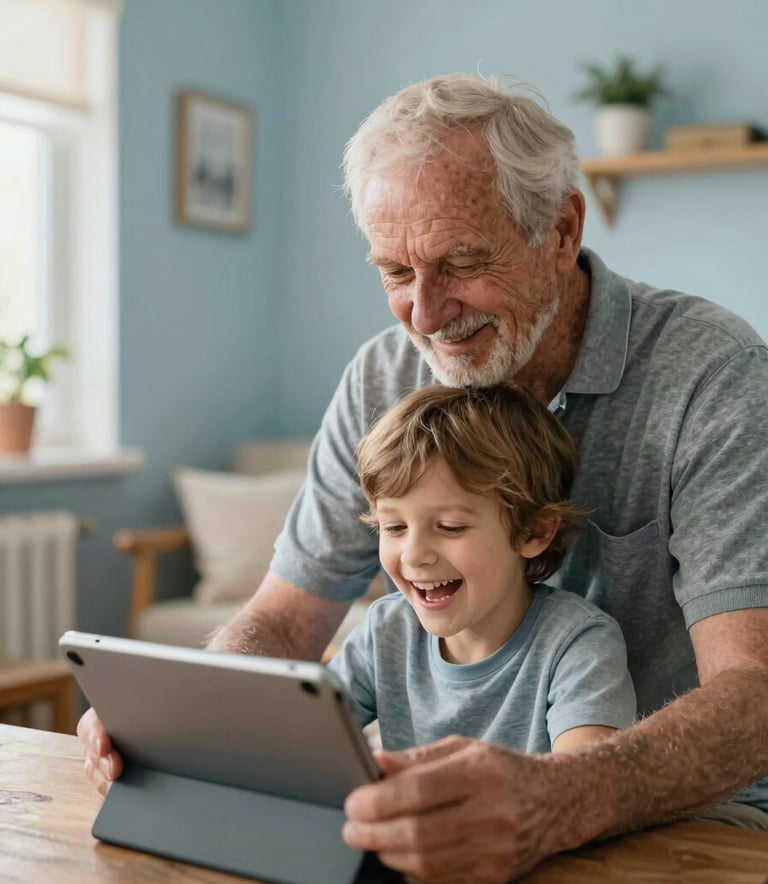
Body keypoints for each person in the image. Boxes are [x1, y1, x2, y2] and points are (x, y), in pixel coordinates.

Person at [79, 72, 768, 882]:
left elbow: (754, 692)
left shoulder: (713, 375)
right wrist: (185, 723)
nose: (426, 315)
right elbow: (284, 620)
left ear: (560, 229)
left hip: (694, 820)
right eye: (395, 273)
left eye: (462, 262)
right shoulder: (383, 378)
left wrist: (557, 797)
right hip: (452, 836)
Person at [326, 382, 636, 753]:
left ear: (533, 532)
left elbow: (585, 784)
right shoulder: (386, 631)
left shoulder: (578, 644)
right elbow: (299, 736)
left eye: (450, 527)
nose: (413, 555)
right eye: (394, 527)